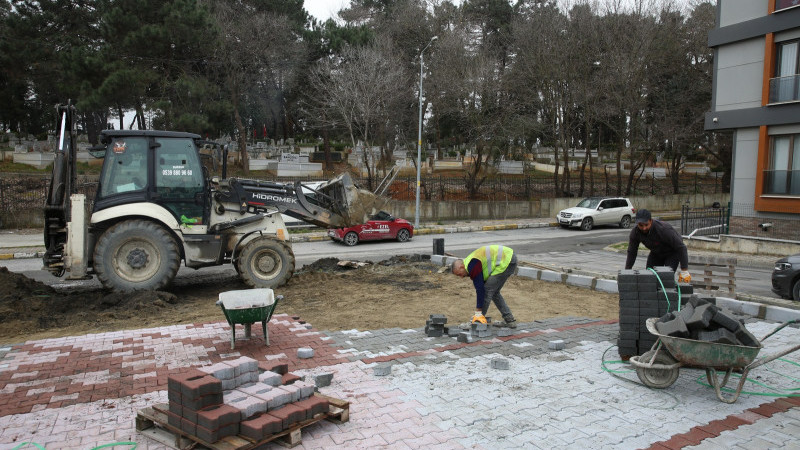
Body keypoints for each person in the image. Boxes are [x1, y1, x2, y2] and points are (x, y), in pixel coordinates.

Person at [451, 245, 518, 328]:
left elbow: (480, 289)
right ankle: (509, 320)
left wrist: (478, 312)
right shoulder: (470, 264)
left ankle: (477, 322)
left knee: (487, 290)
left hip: (506, 260)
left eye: (459, 274)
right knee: (494, 292)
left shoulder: (472, 265)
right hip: (508, 258)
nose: (461, 277)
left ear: (461, 267)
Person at [625, 209, 691, 283]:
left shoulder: (663, 229)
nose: (644, 228)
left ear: (651, 221)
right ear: (637, 223)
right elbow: (632, 252)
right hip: (656, 253)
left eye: (646, 225)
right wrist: (627, 270)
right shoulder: (635, 233)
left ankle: (667, 292)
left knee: (666, 278)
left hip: (671, 253)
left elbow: (681, 247)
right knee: (649, 278)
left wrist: (684, 270)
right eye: (641, 225)